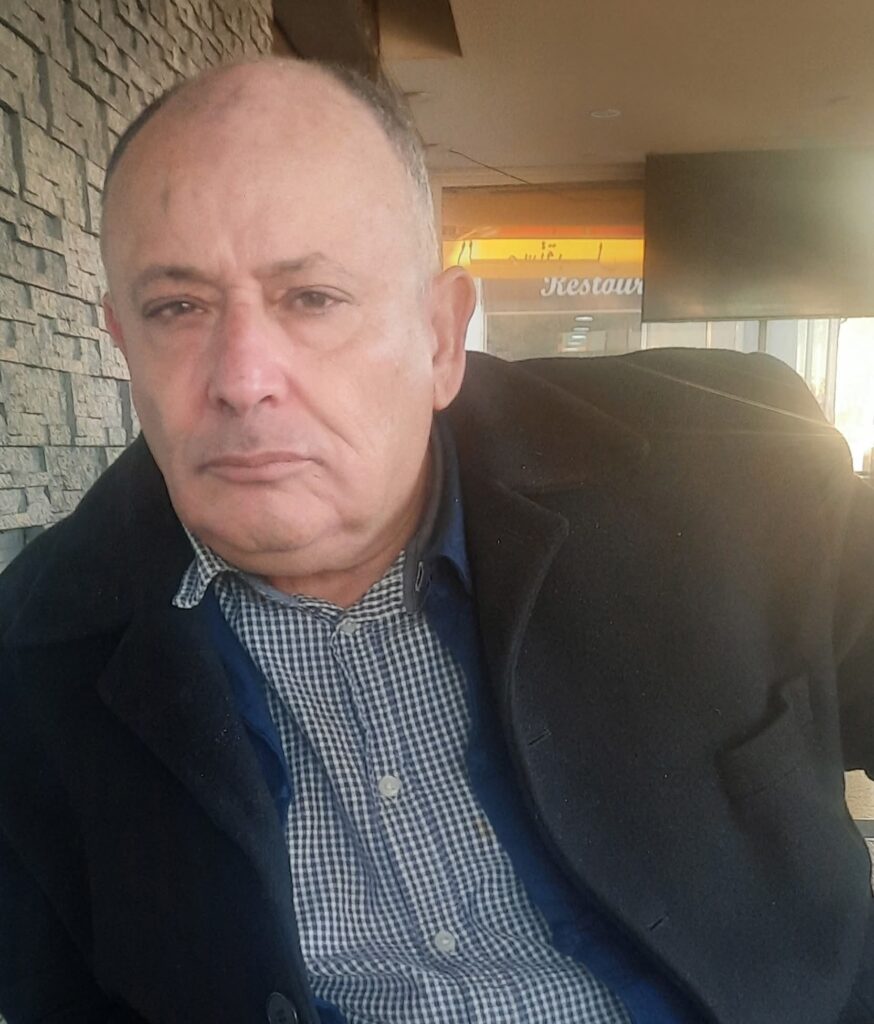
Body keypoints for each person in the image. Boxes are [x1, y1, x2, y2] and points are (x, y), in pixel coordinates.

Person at [0, 57, 872, 1024]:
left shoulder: (725, 477)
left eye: (312, 298)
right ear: (122, 341)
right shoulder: (32, 659)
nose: (243, 380)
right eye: (177, 308)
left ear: (440, 336)